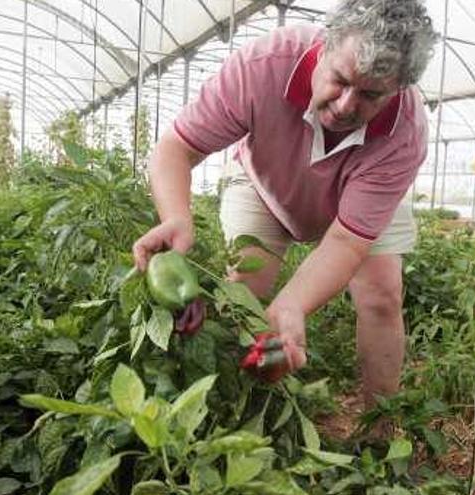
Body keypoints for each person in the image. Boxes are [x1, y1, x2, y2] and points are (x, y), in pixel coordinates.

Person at [132, 0, 438, 412]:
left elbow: (347, 240)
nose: (347, 105)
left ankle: (378, 429)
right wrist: (176, 217)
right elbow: (177, 148)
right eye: (340, 80)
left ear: (398, 88)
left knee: (381, 294)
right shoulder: (263, 66)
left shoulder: (405, 133)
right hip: (265, 183)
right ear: (323, 47)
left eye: (370, 95)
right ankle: (232, 406)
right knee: (245, 293)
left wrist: (295, 303)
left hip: (356, 201)